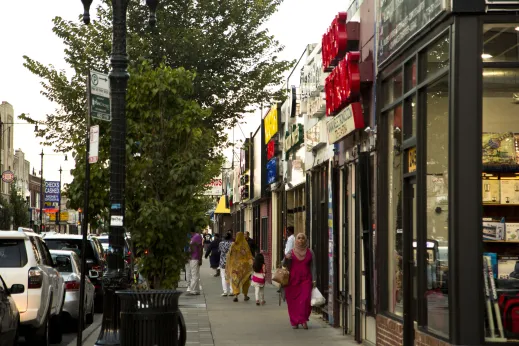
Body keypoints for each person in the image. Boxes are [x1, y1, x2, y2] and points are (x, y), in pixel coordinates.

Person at [284, 233, 316, 329]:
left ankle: (303, 319)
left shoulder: (310, 252)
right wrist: (286, 259)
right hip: (292, 281)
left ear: (305, 240)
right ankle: (294, 321)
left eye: (303, 238)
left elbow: (313, 267)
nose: (301, 240)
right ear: (295, 240)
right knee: (293, 302)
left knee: (305, 299)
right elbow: (284, 265)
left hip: (306, 279)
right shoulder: (291, 252)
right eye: (299, 238)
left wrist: (314, 280)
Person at [226, 232, 253, 302]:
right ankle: (245, 295)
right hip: (244, 267)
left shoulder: (233, 245)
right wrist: (251, 263)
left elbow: (229, 255)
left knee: (235, 280)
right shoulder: (245, 245)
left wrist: (230, 264)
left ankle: (235, 295)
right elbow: (249, 255)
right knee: (245, 281)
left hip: (235, 267)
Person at [186, 226, 203, 295]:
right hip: (192, 257)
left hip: (195, 258)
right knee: (195, 274)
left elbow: (200, 248)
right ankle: (196, 290)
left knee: (194, 274)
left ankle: (192, 290)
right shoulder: (193, 237)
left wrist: (200, 258)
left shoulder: (196, 237)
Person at [218, 231, 233, 296]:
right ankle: (232, 291)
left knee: (223, 277)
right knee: (231, 276)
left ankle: (225, 291)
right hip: (230, 262)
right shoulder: (232, 244)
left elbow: (219, 250)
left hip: (222, 262)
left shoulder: (221, 243)